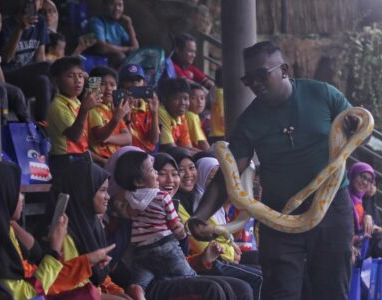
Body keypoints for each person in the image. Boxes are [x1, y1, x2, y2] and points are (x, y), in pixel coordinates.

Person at [189, 41, 361, 300]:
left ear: (283, 69)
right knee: (281, 291)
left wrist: (355, 126)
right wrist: (200, 216)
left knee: (331, 289)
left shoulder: (323, 95)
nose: (255, 83)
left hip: (331, 209)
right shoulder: (249, 121)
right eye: (249, 78)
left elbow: (360, 130)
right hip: (278, 214)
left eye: (261, 74)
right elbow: (230, 174)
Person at [168, 148, 263, 300]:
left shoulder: (204, 202)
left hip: (211, 259)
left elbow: (227, 235)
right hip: (203, 261)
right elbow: (200, 243)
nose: (188, 175)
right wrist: (230, 250)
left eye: (191, 168)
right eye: (180, 170)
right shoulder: (194, 206)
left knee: (265, 262)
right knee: (254, 281)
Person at [0, 161, 67, 299]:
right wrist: (54, 252)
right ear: (1, 196)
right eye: (17, 191)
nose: (22, 198)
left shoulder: (2, 227)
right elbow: (27, 295)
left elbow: (35, 252)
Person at [113, 151, 196, 290]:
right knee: (196, 281)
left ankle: (137, 290)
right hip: (164, 252)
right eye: (160, 172)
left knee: (139, 284)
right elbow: (173, 224)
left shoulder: (129, 200)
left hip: (143, 254)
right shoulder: (163, 198)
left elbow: (185, 251)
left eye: (175, 174)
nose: (170, 180)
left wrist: (182, 235)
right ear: (138, 180)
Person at [52, 161, 134, 299]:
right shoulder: (64, 232)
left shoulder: (92, 225)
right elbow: (66, 283)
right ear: (83, 192)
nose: (108, 196)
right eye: (102, 190)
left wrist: (117, 291)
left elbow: (101, 277)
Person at [0, 0, 54, 122]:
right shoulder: (6, 24)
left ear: (40, 4)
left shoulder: (40, 22)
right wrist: (20, 29)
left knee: (44, 81)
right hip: (9, 76)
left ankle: (43, 126)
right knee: (48, 67)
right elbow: (7, 58)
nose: (32, 2)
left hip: (28, 76)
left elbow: (40, 57)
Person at [47, 56, 101, 177]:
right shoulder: (58, 105)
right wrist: (84, 110)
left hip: (81, 157)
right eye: (71, 76)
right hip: (65, 161)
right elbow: (75, 136)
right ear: (56, 81)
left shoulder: (77, 101)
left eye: (80, 76)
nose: (78, 81)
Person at [348, 162, 382, 259]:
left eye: (369, 180)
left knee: (378, 232)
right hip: (346, 243)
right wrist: (349, 246)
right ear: (353, 175)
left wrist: (370, 199)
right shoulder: (344, 197)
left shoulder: (361, 199)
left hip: (360, 242)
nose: (365, 182)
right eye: (362, 176)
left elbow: (377, 222)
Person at [88, 66, 132, 166]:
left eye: (112, 85)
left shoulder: (112, 109)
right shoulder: (92, 109)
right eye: (102, 84)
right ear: (93, 85)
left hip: (115, 159)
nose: (108, 88)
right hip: (101, 162)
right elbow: (101, 135)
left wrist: (108, 138)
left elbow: (128, 138)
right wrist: (116, 119)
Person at [118, 64, 159, 153]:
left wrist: (154, 113)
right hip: (127, 154)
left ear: (144, 83)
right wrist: (127, 118)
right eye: (129, 80)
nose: (134, 83)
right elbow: (126, 144)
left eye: (138, 80)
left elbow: (154, 140)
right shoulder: (117, 107)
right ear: (122, 84)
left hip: (148, 154)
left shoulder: (149, 106)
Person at [86, 0, 139, 67]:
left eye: (120, 5)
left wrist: (130, 26)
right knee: (119, 56)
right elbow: (101, 48)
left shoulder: (118, 27)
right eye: (112, 4)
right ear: (104, 5)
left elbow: (136, 49)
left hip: (114, 64)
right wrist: (128, 49)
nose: (117, 8)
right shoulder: (96, 22)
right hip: (94, 63)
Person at [158, 78, 199, 153]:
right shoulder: (161, 112)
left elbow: (187, 146)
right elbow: (171, 148)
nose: (183, 103)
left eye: (186, 98)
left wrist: (205, 154)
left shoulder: (181, 115)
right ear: (165, 99)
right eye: (176, 98)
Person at [186, 84, 211, 151]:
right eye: (193, 98)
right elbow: (202, 142)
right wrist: (212, 154)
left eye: (202, 98)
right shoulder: (190, 115)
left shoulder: (195, 115)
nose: (200, 102)